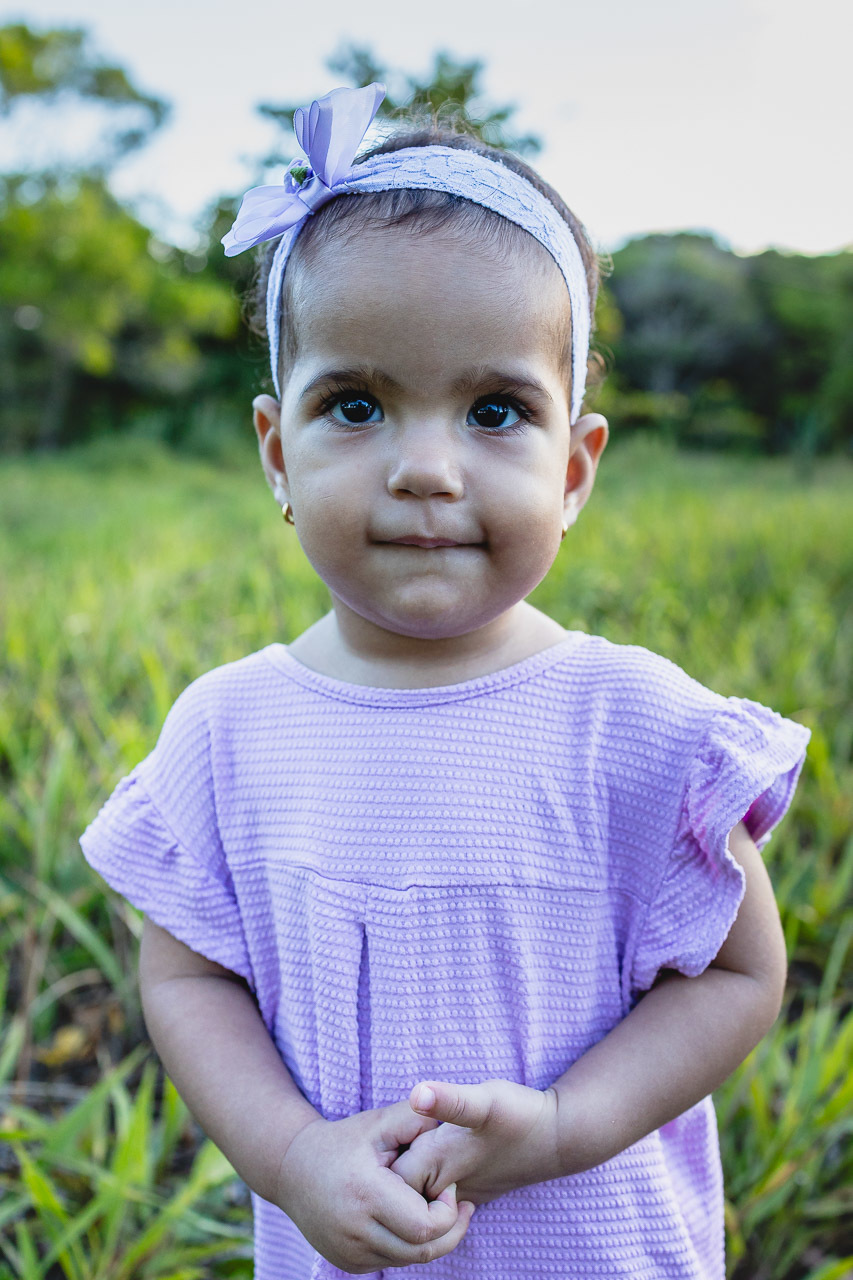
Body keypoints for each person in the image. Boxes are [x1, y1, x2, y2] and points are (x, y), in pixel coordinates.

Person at [80, 83, 810, 1280]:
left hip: (592, 1245)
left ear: (574, 468)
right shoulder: (228, 729)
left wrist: (570, 1123)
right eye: (356, 405)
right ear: (278, 449)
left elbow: (739, 972)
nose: (425, 468)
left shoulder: (635, 724)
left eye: (493, 409)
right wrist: (295, 1154)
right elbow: (186, 975)